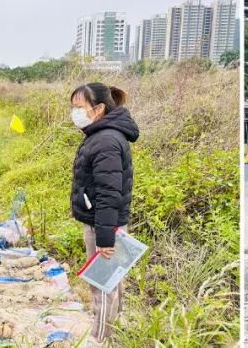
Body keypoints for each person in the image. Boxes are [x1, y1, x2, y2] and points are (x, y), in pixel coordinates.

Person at [70, 83, 140, 346]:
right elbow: (92, 183)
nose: (75, 113)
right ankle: (117, 323)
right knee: (113, 278)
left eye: (80, 107)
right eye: (73, 107)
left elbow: (109, 193)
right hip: (106, 222)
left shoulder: (106, 140)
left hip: (105, 226)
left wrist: (104, 238)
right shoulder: (101, 134)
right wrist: (78, 206)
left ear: (98, 109)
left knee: (102, 284)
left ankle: (99, 339)